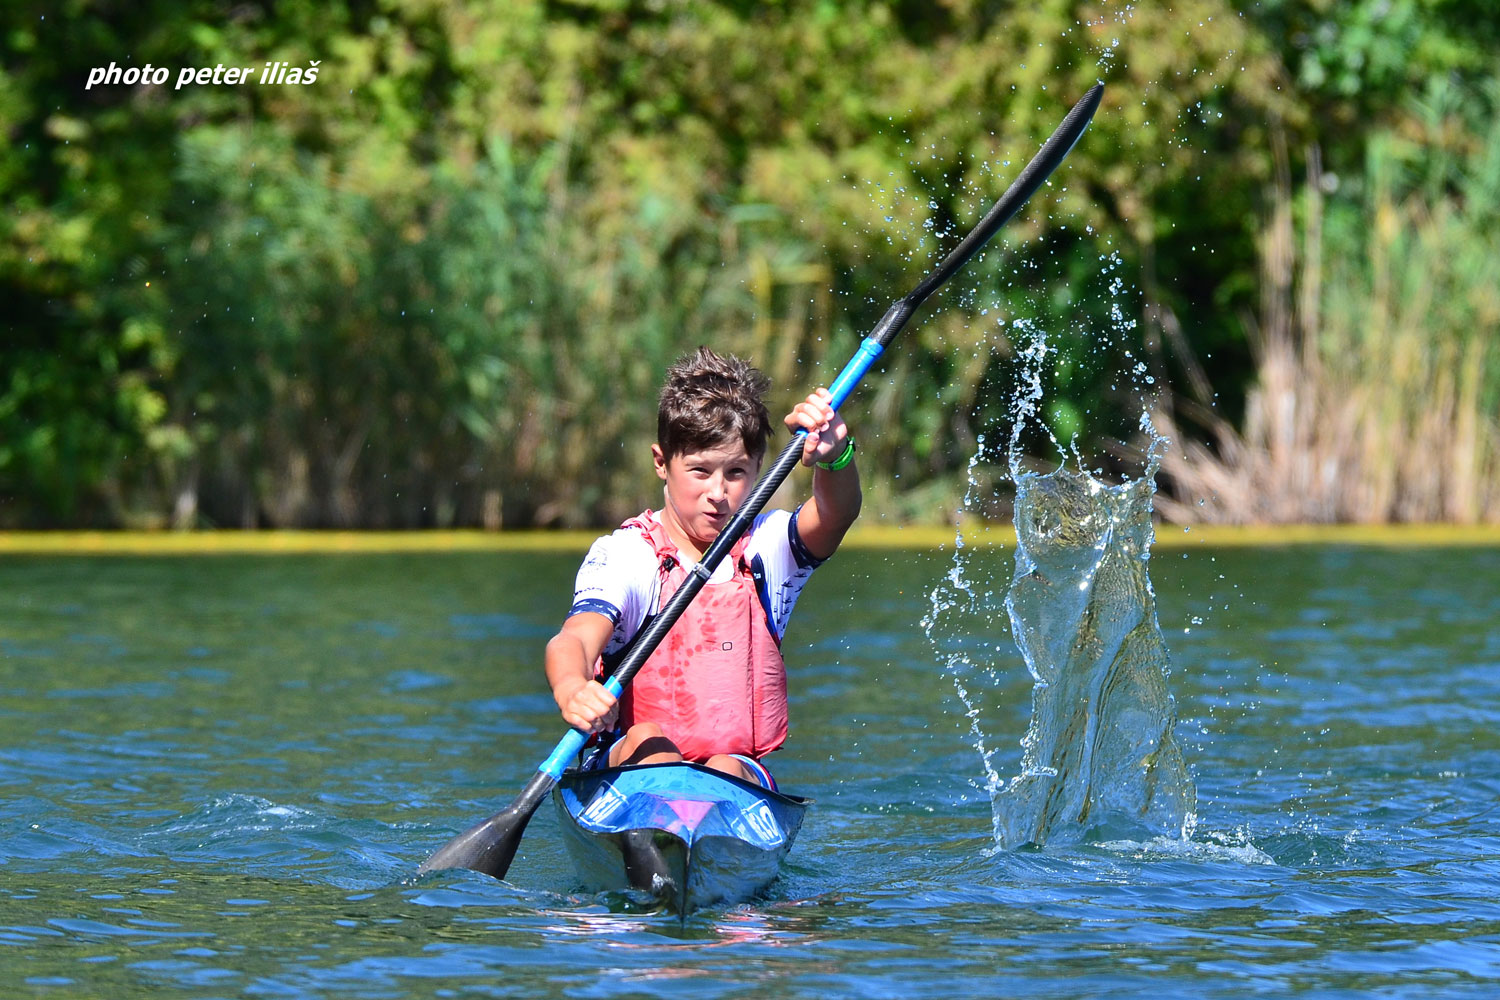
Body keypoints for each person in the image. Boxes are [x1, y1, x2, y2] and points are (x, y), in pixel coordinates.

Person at [543, 346, 861, 789]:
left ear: (758, 469)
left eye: (735, 472)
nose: (718, 492)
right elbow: (574, 638)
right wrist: (573, 689)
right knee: (652, 745)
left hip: (735, 776)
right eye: (700, 471)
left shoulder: (766, 548)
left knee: (726, 766)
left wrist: (835, 456)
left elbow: (835, 514)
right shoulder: (629, 555)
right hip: (630, 766)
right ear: (661, 462)